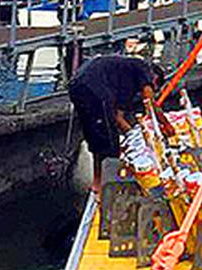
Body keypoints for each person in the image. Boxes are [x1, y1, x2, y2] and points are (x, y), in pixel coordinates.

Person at [68, 54, 175, 194]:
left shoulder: (126, 80)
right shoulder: (142, 68)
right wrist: (166, 125)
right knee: (110, 143)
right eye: (153, 87)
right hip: (92, 86)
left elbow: (118, 117)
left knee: (97, 135)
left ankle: (97, 183)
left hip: (77, 87)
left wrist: (136, 137)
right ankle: (108, 186)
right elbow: (149, 103)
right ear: (154, 79)